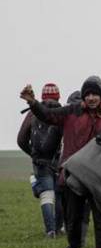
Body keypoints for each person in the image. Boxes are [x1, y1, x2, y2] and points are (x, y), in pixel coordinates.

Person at [20, 76, 101, 248]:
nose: (91, 98)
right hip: (73, 173)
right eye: (88, 94)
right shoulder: (71, 112)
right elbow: (48, 114)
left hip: (98, 175)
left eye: (95, 94)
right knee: (73, 217)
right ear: (83, 96)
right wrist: (33, 102)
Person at [17, 83, 64, 238]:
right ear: (58, 96)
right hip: (58, 160)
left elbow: (21, 139)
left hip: (40, 162)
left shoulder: (32, 113)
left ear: (42, 97)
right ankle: (58, 228)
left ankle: (50, 231)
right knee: (59, 195)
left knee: (46, 195)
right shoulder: (61, 112)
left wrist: (33, 154)